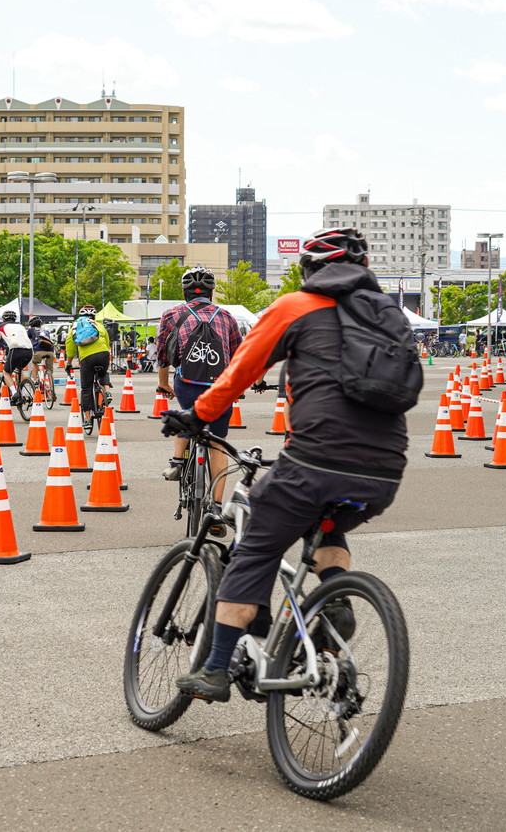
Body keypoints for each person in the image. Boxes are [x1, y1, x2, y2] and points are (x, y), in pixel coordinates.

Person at [164, 227, 408, 702]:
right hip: (385, 466)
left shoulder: (296, 306)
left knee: (256, 544)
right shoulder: (387, 316)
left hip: (317, 454)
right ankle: (335, 597)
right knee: (326, 524)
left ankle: (214, 669)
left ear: (310, 270)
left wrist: (196, 416)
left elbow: (238, 374)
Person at [156, 266, 243, 520]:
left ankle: (176, 463)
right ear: (211, 292)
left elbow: (162, 354)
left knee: (186, 413)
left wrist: (164, 384)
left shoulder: (172, 314)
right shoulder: (227, 316)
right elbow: (239, 356)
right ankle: (216, 508)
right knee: (217, 443)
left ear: (185, 292)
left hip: (187, 383)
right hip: (221, 386)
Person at [63, 305, 113, 431]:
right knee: (103, 372)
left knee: (86, 388)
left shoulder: (75, 326)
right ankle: (107, 392)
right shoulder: (99, 325)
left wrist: (68, 363)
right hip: (103, 354)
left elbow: (70, 347)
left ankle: (87, 420)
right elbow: (107, 342)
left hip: (87, 357)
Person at [0, 310, 34, 404]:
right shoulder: (20, 326)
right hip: (29, 351)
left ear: (3, 319)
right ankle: (24, 394)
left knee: (6, 373)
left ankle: (14, 393)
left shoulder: (1, 327)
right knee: (20, 369)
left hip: (15, 350)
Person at [26, 316, 56, 389]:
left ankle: (35, 380)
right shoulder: (46, 330)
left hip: (38, 350)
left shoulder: (30, 330)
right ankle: (52, 386)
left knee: (35, 363)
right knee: (49, 370)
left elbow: (29, 341)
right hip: (50, 351)